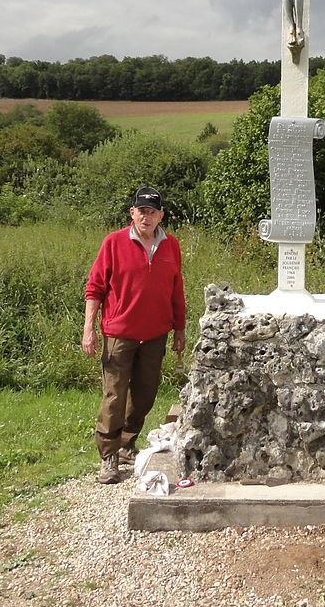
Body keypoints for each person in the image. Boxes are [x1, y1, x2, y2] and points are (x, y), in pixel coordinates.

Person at [82, 186, 186, 484]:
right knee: (115, 395)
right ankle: (108, 456)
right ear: (133, 213)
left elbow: (176, 291)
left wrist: (179, 329)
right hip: (119, 333)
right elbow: (95, 288)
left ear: (161, 216)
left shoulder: (171, 246)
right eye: (142, 211)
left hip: (155, 335)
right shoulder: (114, 243)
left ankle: (127, 444)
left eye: (152, 211)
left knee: (145, 394)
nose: (147, 216)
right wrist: (89, 328)